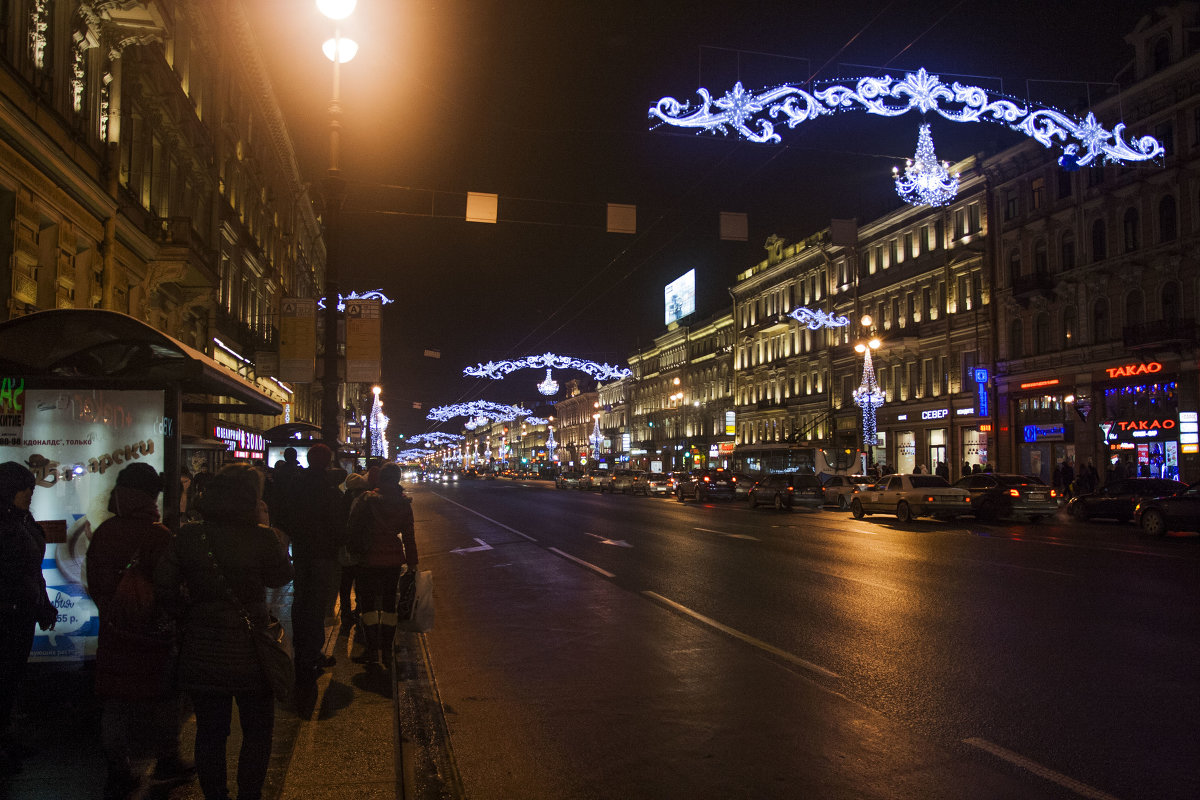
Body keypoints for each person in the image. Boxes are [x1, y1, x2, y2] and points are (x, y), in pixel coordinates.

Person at [154, 463, 293, 800]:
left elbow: (164, 586)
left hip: (202, 648)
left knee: (210, 732)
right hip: (252, 651)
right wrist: (267, 528)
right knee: (258, 731)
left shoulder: (189, 535)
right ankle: (250, 794)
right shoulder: (261, 536)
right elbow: (280, 576)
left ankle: (215, 794)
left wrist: (188, 615)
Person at [86, 463, 192, 799]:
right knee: (163, 697)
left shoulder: (104, 532)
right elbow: (172, 587)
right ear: (151, 496)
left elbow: (95, 583)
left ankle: (118, 770)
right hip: (152, 633)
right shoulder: (158, 535)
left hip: (115, 631)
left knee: (116, 702)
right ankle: (167, 758)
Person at [0, 462, 58, 775]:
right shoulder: (10, 523)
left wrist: (42, 603)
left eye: (31, 489)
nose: (29, 494)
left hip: (21, 610)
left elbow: (33, 570)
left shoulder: (23, 519)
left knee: (10, 678)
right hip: (6, 612)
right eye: (25, 489)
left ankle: (6, 736)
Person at [273, 443, 346, 687]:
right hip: (323, 553)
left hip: (303, 550)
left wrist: (295, 536)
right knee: (317, 603)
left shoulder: (297, 484)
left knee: (301, 599)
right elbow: (338, 523)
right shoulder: (330, 489)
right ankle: (312, 652)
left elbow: (284, 514)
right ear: (326, 462)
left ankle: (299, 648)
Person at [346, 463, 417, 665]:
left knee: (367, 605)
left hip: (368, 559)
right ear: (397, 479)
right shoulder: (403, 503)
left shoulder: (366, 500)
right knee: (388, 606)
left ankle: (371, 648)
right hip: (393, 560)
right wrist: (413, 564)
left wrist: (353, 552)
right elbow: (409, 537)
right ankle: (386, 650)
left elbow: (352, 527)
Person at [338, 471, 372, 627]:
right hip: (359, 548)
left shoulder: (341, 500)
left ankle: (346, 614)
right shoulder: (366, 501)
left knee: (345, 584)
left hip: (345, 549)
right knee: (361, 583)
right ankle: (359, 610)